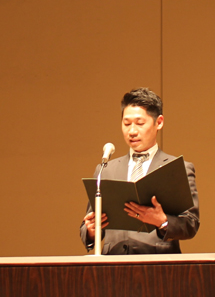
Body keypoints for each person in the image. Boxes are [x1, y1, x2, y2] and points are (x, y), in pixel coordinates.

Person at [80, 88, 200, 254]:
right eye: (126, 124)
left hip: (158, 264)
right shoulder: (105, 170)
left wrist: (162, 221)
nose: (132, 131)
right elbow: (88, 225)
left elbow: (191, 223)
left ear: (159, 122)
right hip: (114, 263)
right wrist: (90, 230)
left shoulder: (177, 168)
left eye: (140, 123)